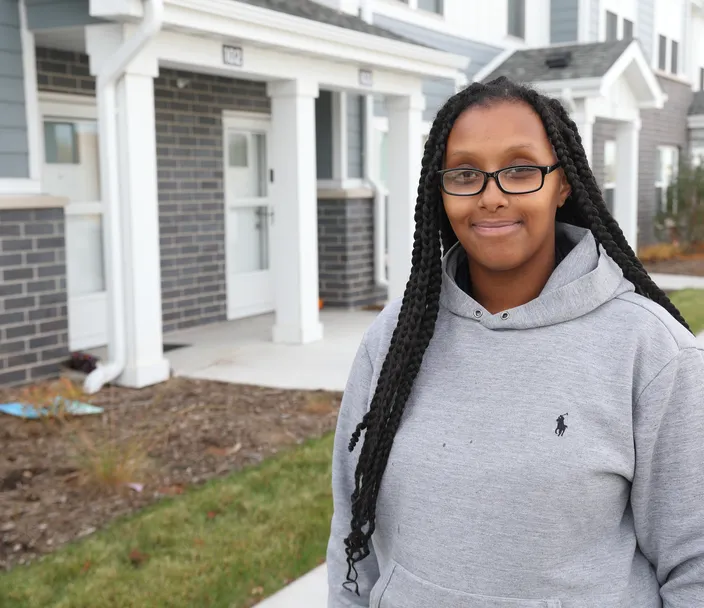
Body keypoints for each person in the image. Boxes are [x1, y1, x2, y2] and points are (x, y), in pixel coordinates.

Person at [326, 77, 704, 607]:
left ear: (563, 183)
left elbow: (695, 564)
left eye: (520, 169)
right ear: (441, 188)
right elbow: (353, 529)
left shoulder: (651, 351)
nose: (492, 196)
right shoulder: (393, 341)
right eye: (465, 173)